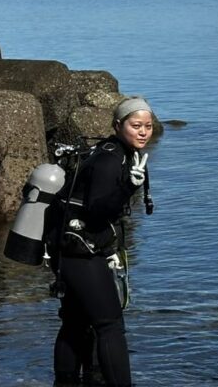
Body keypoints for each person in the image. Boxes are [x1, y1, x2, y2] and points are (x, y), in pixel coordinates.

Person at [46, 97, 154, 387]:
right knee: (110, 326)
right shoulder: (111, 159)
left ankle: (65, 382)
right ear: (118, 126)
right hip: (80, 249)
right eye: (136, 126)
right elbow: (97, 211)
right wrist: (128, 186)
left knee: (75, 323)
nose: (143, 132)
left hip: (67, 244)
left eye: (148, 126)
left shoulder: (112, 151)